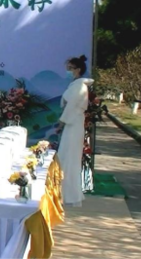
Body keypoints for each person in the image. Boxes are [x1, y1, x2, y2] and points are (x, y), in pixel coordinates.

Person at [57, 55, 92, 207]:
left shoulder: (79, 87)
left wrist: (62, 122)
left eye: (70, 68)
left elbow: (72, 107)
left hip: (74, 123)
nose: (68, 71)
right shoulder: (76, 85)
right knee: (66, 155)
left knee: (69, 157)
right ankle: (63, 191)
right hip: (72, 123)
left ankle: (69, 193)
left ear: (78, 70)